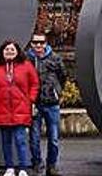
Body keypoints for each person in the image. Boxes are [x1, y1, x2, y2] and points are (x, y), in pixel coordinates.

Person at [0, 39, 40, 176]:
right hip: (2, 111)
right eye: (6, 49)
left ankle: (23, 168)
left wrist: (30, 99)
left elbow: (35, 84)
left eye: (12, 49)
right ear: (2, 52)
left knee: (21, 141)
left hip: (20, 110)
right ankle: (9, 167)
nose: (9, 52)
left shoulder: (26, 66)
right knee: (6, 142)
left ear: (17, 51)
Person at [26, 32, 66, 176]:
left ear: (46, 43)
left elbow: (63, 76)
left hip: (51, 103)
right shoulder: (26, 59)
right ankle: (37, 163)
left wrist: (57, 91)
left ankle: (52, 165)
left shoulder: (55, 58)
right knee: (34, 137)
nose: (38, 45)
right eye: (35, 42)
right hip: (34, 103)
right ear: (31, 44)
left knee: (53, 137)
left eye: (41, 42)